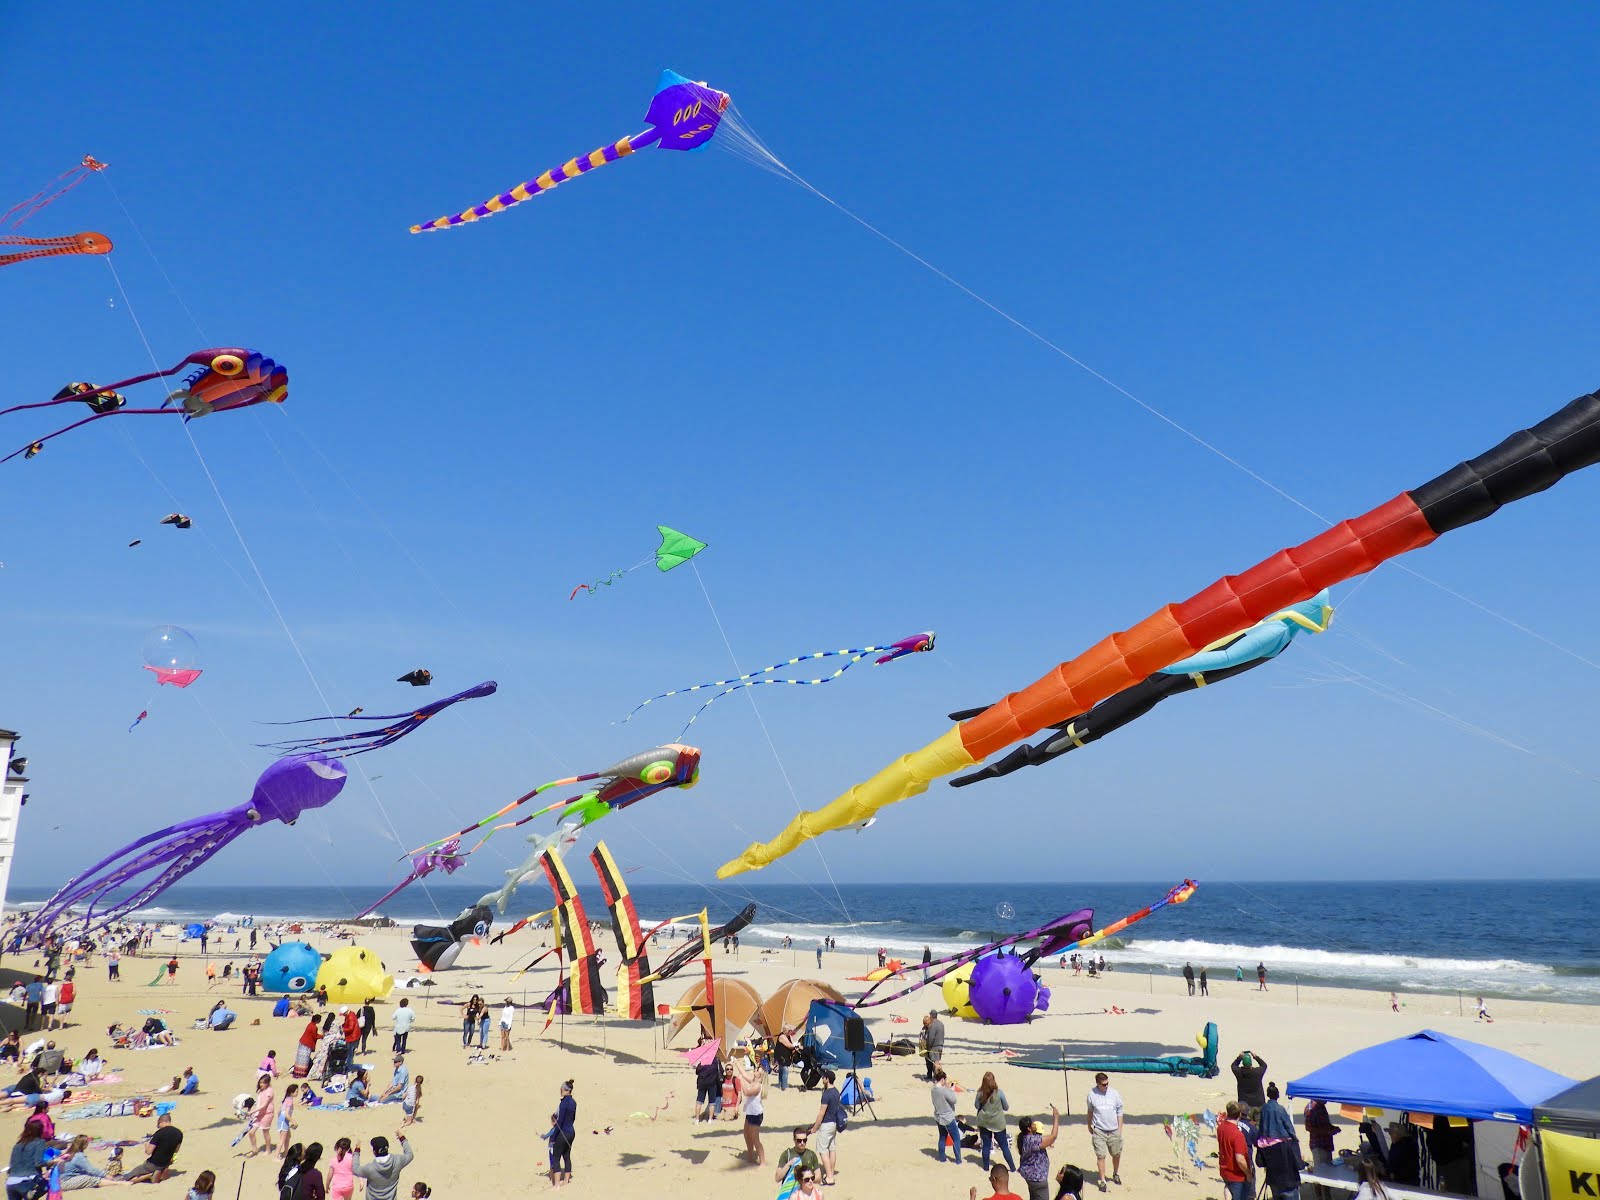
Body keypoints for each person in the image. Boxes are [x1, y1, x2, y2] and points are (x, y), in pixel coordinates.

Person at [808, 1069, 846, 1187]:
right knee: (831, 1149)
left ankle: (829, 1177)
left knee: (822, 1150)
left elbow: (821, 1113)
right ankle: (831, 1173)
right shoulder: (836, 1091)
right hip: (833, 1124)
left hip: (826, 1125)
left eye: (823, 1077)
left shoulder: (827, 1094)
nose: (822, 1079)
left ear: (827, 1079)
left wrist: (814, 1128)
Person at [1085, 1073, 1123, 1190]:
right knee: (1101, 1156)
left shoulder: (1115, 1094)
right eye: (1103, 1084)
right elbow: (1090, 1111)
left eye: (1107, 1083)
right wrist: (1089, 1125)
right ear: (1098, 1084)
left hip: (1114, 1130)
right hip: (1099, 1130)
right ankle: (1102, 1181)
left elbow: (1119, 1111)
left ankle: (1115, 1173)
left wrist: (1119, 1129)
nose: (1106, 1086)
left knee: (1116, 1154)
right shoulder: (1092, 1095)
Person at [57, 1134, 130, 1190]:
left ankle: (113, 1181)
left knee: (90, 1175)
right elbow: (91, 1169)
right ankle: (117, 1183)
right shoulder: (79, 1156)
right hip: (66, 1182)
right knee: (91, 1179)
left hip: (61, 1180)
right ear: (84, 1145)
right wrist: (106, 1175)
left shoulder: (70, 1152)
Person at [1017, 1107, 1061, 1200]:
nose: (1034, 1124)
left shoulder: (1024, 1138)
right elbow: (1053, 1137)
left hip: (1030, 1175)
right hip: (1037, 1178)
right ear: (1029, 1128)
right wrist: (1056, 1118)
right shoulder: (1032, 1140)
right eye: (1032, 1124)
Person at [125, 1113, 183, 1183]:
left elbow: (149, 1152)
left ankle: (150, 1175)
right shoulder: (179, 1133)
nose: (158, 1127)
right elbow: (176, 1150)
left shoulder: (159, 1133)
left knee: (129, 1177)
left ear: (161, 1122)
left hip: (154, 1163)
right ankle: (162, 1170)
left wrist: (146, 1145)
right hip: (166, 1162)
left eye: (158, 1125)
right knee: (162, 1164)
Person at [976, 1071, 1016, 1171]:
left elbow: (976, 1106)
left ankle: (986, 1167)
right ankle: (1012, 1167)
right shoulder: (999, 1093)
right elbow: (1006, 1107)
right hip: (998, 1122)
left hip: (984, 1121)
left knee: (986, 1145)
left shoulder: (980, 1093)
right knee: (1004, 1146)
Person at [352, 1135, 412, 1200]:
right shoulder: (397, 1161)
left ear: (374, 1152)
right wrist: (402, 1139)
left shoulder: (370, 1169)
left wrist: (357, 1151)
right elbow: (410, 1154)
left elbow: (355, 1169)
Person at [734, 1049, 766, 1166]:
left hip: (756, 1114)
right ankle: (750, 1156)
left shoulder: (758, 1085)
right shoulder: (753, 1080)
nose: (755, 1070)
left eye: (758, 1070)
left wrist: (740, 1081)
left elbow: (747, 1092)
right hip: (750, 1112)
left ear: (761, 1075)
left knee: (755, 1138)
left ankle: (762, 1162)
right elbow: (743, 1073)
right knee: (746, 1135)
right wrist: (736, 1062)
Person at [1257, 1131, 1308, 1200]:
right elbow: (1298, 1164)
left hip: (1274, 1181)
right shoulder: (1289, 1138)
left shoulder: (1263, 1140)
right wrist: (1305, 1163)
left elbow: (1260, 1163)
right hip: (1289, 1181)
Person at [1217, 1103, 1252, 1200]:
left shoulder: (1221, 1128)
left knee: (1228, 1188)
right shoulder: (1238, 1135)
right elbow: (1240, 1159)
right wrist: (1248, 1173)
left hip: (1225, 1170)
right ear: (1239, 1115)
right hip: (1236, 1174)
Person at [6, 1121, 49, 1200]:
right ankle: (33, 1193)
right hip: (27, 1181)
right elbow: (38, 1163)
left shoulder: (17, 1145)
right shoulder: (39, 1142)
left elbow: (10, 1167)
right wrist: (52, 1162)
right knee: (48, 1184)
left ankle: (31, 1193)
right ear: (40, 1131)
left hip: (11, 1182)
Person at [932, 1068, 962, 1164]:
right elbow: (954, 1100)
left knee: (942, 1137)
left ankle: (942, 1158)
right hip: (947, 1118)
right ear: (942, 1080)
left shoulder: (933, 1089)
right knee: (956, 1138)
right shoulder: (943, 1091)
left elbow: (943, 1096)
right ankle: (958, 1160)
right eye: (944, 1080)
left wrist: (948, 1089)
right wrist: (952, 1090)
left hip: (938, 1117)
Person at [551, 1080, 577, 1187]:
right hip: (571, 1132)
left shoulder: (564, 1103)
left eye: (561, 1088)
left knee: (556, 1156)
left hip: (564, 1132)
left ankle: (557, 1185)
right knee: (566, 1155)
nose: (560, 1090)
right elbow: (573, 1118)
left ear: (565, 1090)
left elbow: (560, 1122)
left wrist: (553, 1137)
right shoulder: (574, 1102)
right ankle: (566, 1181)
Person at [246, 1076, 276, 1156]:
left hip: (267, 1114)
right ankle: (254, 1149)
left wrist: (252, 1111)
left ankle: (268, 1149)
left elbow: (264, 1105)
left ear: (268, 1083)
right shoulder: (261, 1091)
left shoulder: (269, 1091)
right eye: (260, 1082)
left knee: (265, 1132)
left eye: (263, 1082)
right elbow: (259, 1103)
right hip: (259, 1113)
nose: (261, 1084)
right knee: (251, 1132)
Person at [277, 1084, 300, 1157]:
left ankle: (286, 1152)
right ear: (291, 1092)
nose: (297, 1093)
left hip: (282, 1120)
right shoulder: (289, 1101)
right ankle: (276, 1156)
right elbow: (286, 1114)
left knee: (288, 1136)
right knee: (282, 1139)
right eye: (296, 1091)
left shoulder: (286, 1099)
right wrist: (294, 1122)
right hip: (284, 1120)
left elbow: (279, 1111)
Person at [922, 1009, 946, 1081]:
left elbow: (931, 1038)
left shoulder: (932, 1025)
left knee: (936, 1063)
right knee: (936, 1061)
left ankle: (940, 1078)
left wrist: (928, 1047)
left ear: (931, 1016)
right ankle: (936, 1076)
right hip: (940, 1045)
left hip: (934, 1046)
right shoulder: (941, 1024)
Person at [775, 1025, 798, 1091]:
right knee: (785, 1069)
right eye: (789, 1030)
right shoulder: (782, 1036)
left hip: (786, 1055)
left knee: (782, 1070)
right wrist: (794, 1046)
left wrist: (795, 1046)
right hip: (781, 1055)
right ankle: (784, 1086)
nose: (790, 1032)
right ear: (785, 1031)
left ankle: (780, 1084)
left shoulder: (788, 1036)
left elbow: (792, 1043)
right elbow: (789, 1045)